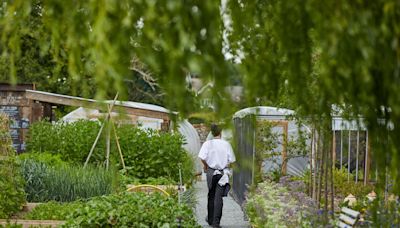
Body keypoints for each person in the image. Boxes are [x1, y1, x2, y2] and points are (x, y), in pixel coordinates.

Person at [198, 124, 235, 228]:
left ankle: (210, 219)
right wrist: (225, 164)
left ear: (212, 132)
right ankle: (216, 223)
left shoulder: (207, 144)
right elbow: (232, 160)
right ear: (221, 132)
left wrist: (206, 166)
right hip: (222, 173)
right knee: (218, 197)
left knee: (211, 195)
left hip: (211, 172)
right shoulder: (226, 144)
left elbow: (202, 157)